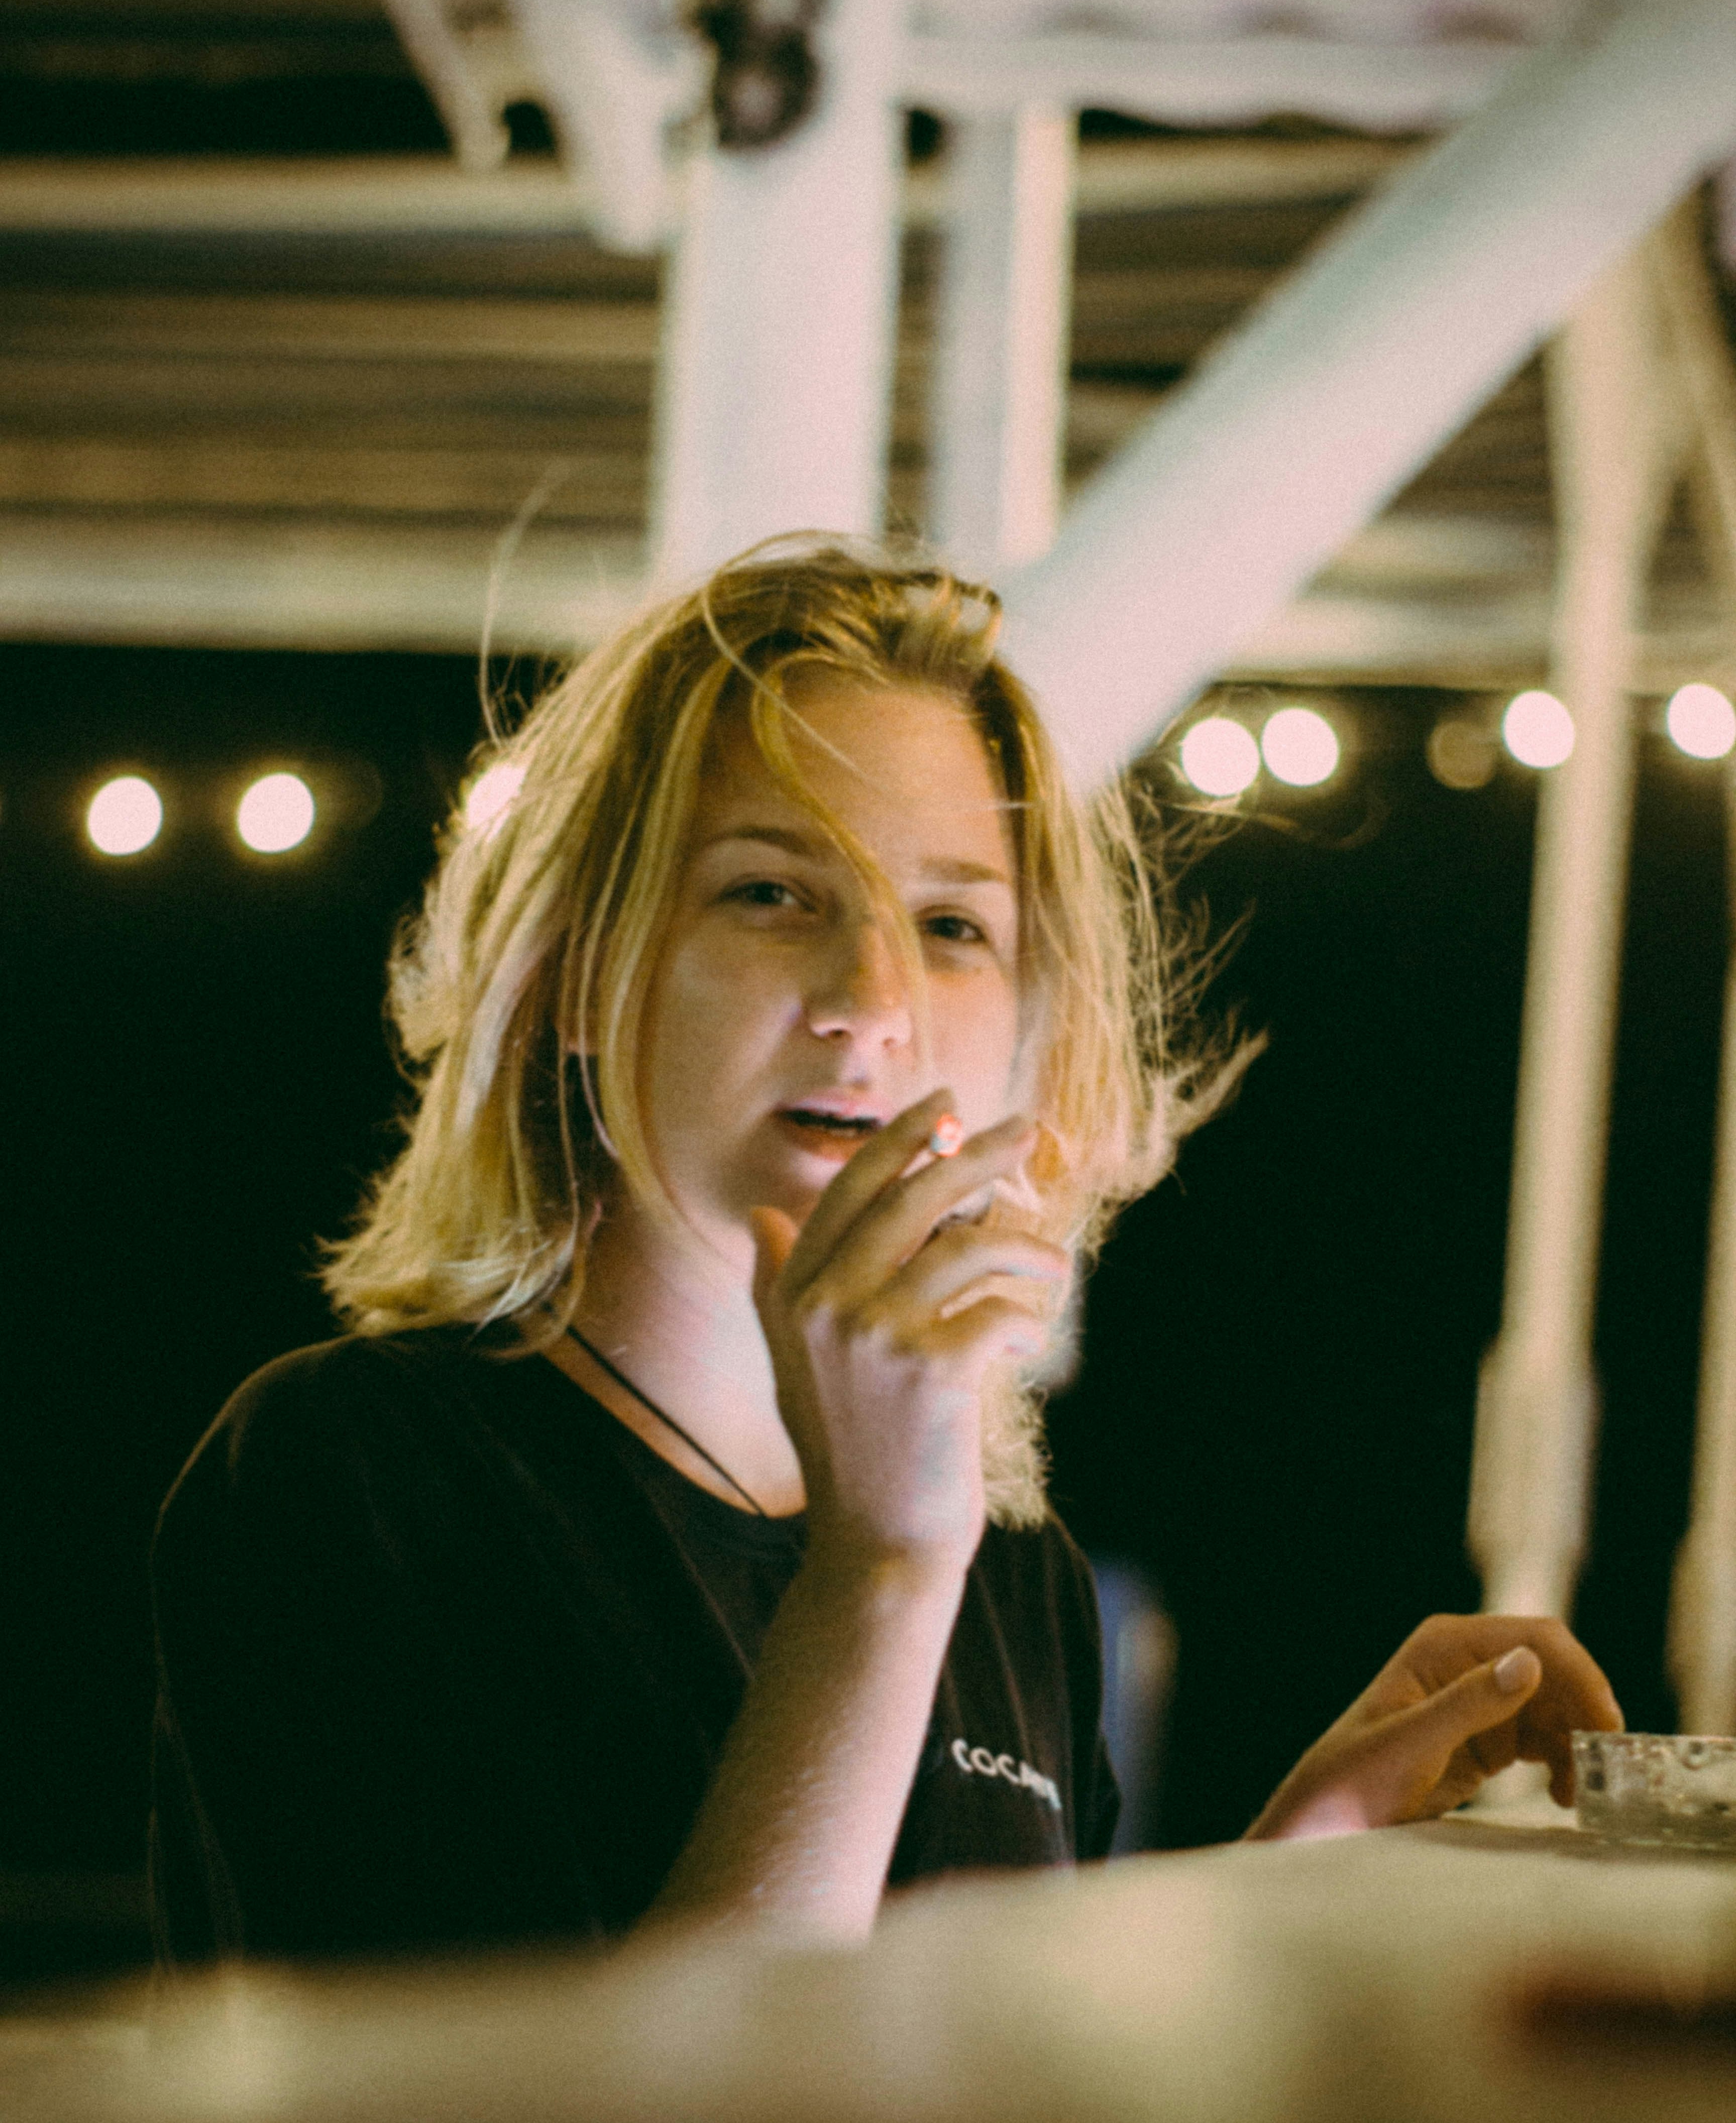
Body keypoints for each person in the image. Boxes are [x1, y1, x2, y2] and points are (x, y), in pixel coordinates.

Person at [149, 539, 1622, 1966]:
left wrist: (1297, 1850)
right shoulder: (350, 1470)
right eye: (773, 892)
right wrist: (881, 1574)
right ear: (581, 973)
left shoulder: (1007, 1567)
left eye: (951, 922)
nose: (872, 996)